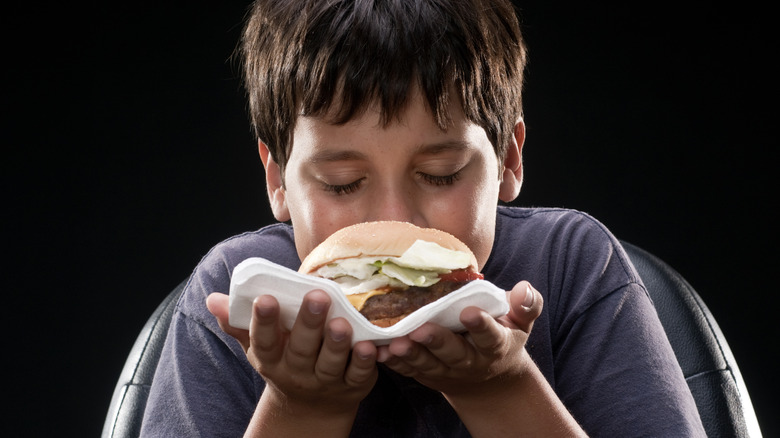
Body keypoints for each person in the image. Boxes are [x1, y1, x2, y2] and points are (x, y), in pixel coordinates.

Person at [141, 0, 706, 436]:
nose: (396, 221)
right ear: (277, 179)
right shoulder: (237, 304)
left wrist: (500, 388)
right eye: (342, 183)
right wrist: (302, 406)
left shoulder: (573, 266)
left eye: (440, 173)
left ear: (508, 159)